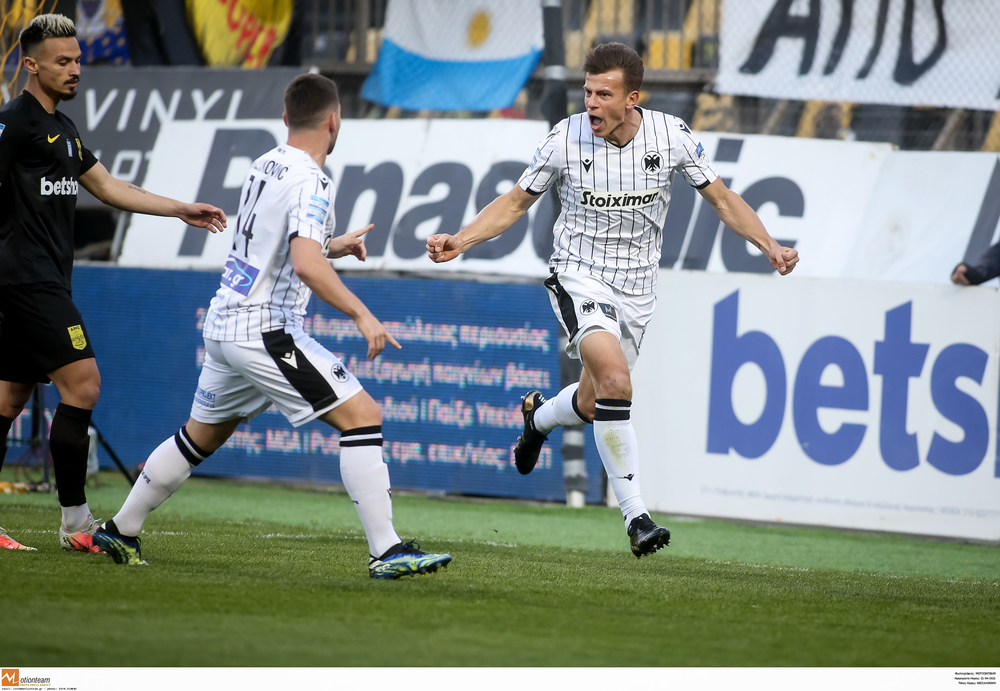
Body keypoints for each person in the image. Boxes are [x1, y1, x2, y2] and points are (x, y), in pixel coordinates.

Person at [427, 42, 799, 558]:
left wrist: (769, 245)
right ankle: (637, 518)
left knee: (593, 401)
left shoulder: (671, 136)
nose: (592, 104)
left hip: (638, 290)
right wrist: (461, 241)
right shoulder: (564, 138)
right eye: (587, 92)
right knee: (617, 382)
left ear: (632, 99)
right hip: (578, 275)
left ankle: (537, 417)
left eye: (604, 94)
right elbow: (514, 203)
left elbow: (722, 199)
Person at [93, 73, 452, 580]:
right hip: (265, 329)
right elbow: (305, 265)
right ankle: (387, 552)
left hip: (225, 323)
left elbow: (280, 248)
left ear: (286, 118)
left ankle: (120, 529)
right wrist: (362, 314)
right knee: (363, 416)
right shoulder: (313, 180)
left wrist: (334, 245)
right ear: (334, 120)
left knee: (199, 437)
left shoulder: (265, 163)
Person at [0, 14, 227, 552]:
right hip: (25, 280)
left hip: (46, 279)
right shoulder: (13, 124)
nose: (75, 69)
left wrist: (179, 209)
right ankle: (76, 524)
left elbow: (107, 187)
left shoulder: (62, 128)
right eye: (62, 61)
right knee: (84, 385)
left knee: (10, 398)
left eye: (78, 60)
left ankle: (70, 523)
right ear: (31, 65)